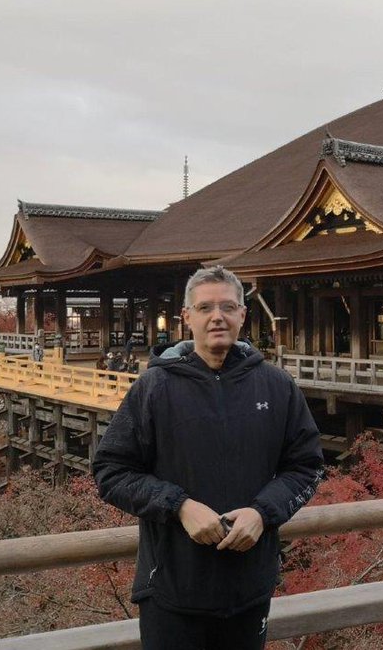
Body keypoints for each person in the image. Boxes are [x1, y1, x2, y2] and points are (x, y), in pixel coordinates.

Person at [93, 265, 324, 650]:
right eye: (204, 308)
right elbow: (110, 471)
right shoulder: (155, 387)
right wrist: (179, 506)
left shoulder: (276, 385)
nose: (217, 316)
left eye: (227, 307)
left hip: (250, 587)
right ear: (187, 317)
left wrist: (263, 513)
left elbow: (307, 466)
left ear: (242, 315)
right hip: (171, 586)